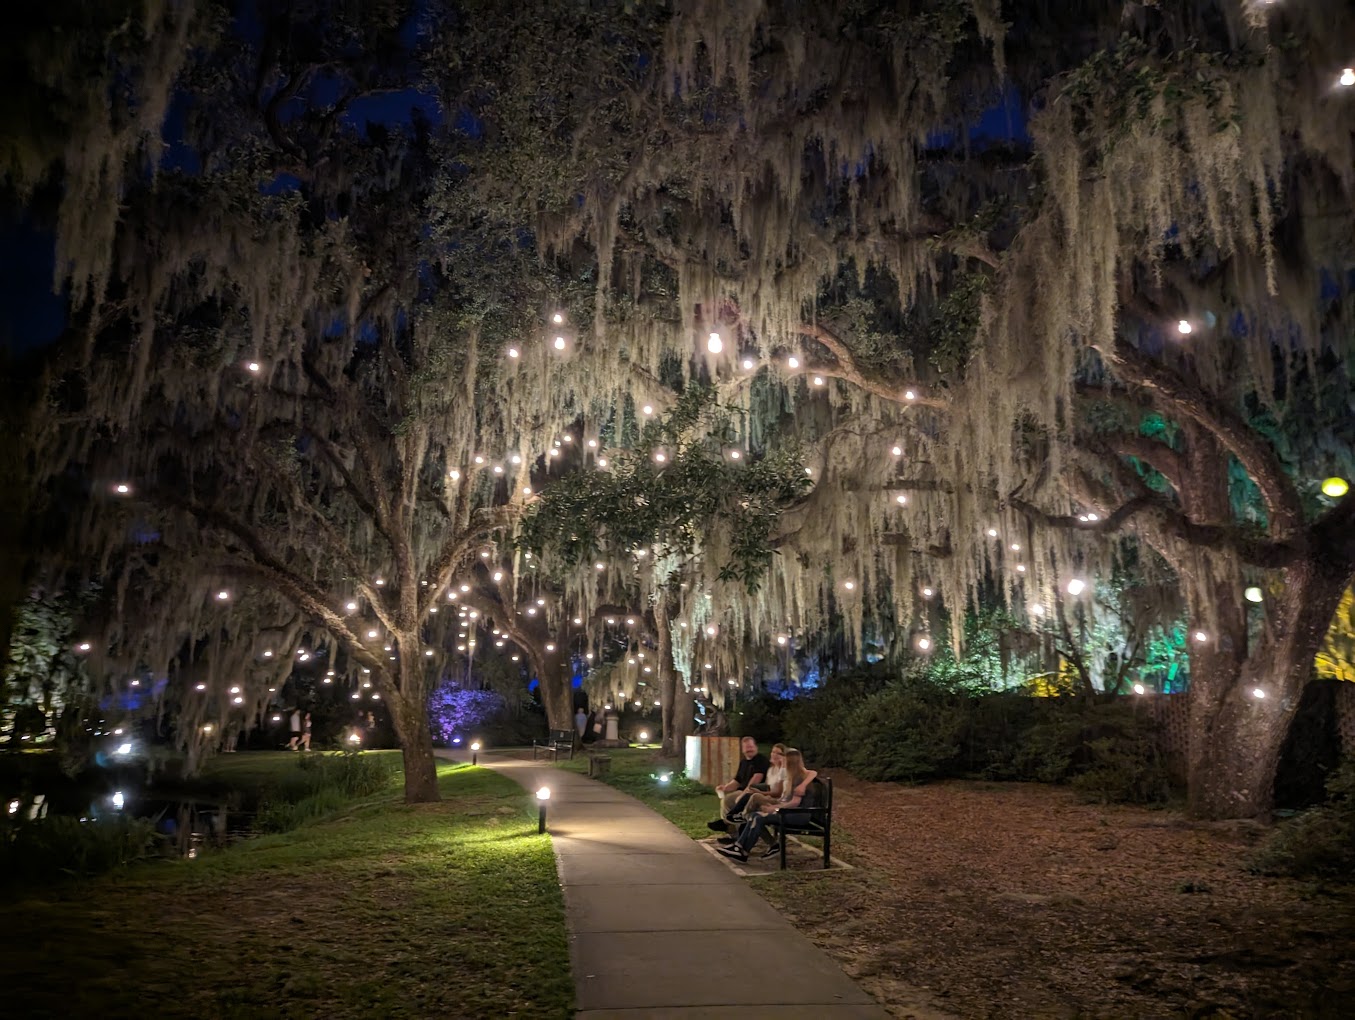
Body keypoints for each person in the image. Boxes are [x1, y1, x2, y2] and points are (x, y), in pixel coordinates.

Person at [717, 748, 817, 862]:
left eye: (784, 761)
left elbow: (795, 803)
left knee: (758, 817)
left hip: (797, 815)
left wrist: (774, 808)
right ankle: (740, 847)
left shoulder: (798, 779)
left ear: (790, 763)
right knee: (754, 814)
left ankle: (742, 849)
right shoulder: (794, 775)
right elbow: (813, 773)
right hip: (788, 810)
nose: (782, 763)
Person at [706, 736, 769, 834]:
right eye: (747, 747)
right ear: (742, 749)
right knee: (726, 800)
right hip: (743, 791)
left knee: (729, 800)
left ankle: (727, 825)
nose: (749, 749)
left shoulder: (760, 760)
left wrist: (743, 795)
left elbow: (756, 780)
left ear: (756, 747)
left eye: (751, 747)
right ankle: (731, 830)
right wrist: (725, 787)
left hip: (755, 793)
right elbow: (737, 781)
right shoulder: (743, 762)